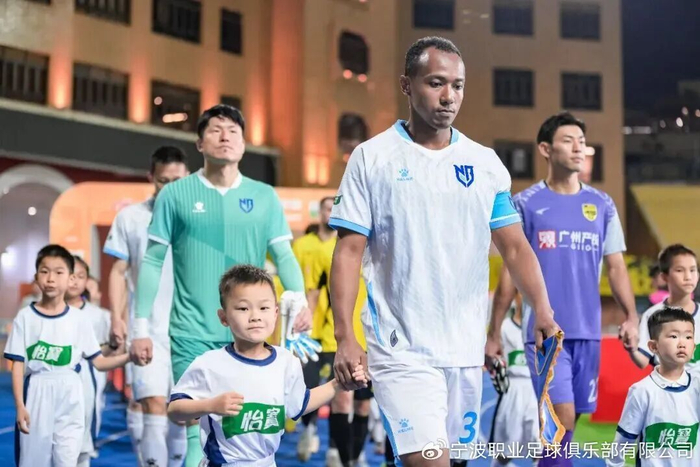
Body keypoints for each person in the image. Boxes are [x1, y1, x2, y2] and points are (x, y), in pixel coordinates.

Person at [329, 36, 559, 467]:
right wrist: (345, 336)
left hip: (464, 349)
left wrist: (542, 311)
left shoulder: (486, 164)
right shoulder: (371, 158)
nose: (449, 96)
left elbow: (514, 247)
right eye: (436, 83)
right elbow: (348, 252)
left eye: (458, 85)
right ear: (406, 85)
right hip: (400, 347)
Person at [129, 105, 314, 467]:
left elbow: (284, 255)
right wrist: (140, 328)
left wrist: (299, 300)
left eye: (233, 131)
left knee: (238, 435)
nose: (225, 136)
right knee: (194, 437)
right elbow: (152, 261)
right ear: (200, 143)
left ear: (243, 144)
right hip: (191, 331)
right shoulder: (174, 195)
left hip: (248, 336)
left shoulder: (264, 197)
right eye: (215, 130)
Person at [486, 112, 639, 465]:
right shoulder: (525, 203)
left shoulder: (602, 205)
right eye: (568, 141)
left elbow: (616, 266)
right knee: (561, 419)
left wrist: (631, 316)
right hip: (545, 333)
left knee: (569, 423)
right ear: (545, 149)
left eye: (582, 142)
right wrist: (494, 333)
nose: (578, 148)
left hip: (589, 332)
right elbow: (510, 271)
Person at [167, 265, 367, 466]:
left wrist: (338, 384)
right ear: (223, 317)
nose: (255, 316)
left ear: (275, 313)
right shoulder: (210, 364)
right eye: (243, 308)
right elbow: (174, 409)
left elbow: (300, 403)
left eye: (263, 308)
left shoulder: (286, 362)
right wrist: (210, 406)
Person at [3, 244, 136, 467]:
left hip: (72, 394)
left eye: (59, 272)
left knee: (67, 459)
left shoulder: (80, 319)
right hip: (36, 392)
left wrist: (129, 357)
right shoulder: (25, 317)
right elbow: (17, 364)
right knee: (33, 461)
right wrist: (20, 405)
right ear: (36, 277)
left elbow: (99, 362)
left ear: (69, 278)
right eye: (45, 272)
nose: (51, 279)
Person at [104, 146, 189, 467]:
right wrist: (117, 318)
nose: (170, 187)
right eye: (163, 180)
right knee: (152, 403)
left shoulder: (198, 220)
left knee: (184, 411)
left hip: (189, 331)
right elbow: (118, 271)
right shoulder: (130, 217)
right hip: (146, 331)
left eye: (177, 181)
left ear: (188, 177)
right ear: (151, 177)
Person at [301, 196, 371, 467]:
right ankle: (339, 455)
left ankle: (355, 454)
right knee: (340, 400)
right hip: (334, 338)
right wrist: (305, 328)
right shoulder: (332, 251)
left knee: (363, 405)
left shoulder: (375, 249)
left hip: (372, 340)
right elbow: (314, 291)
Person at [607, 306, 700, 466]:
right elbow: (623, 442)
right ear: (653, 347)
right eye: (673, 336)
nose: (682, 343)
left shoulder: (697, 387)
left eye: (688, 337)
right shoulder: (642, 391)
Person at [65, 256, 113, 466]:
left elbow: (103, 352)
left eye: (80, 276)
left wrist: (114, 347)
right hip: (54, 382)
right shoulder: (41, 312)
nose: (74, 281)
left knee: (83, 440)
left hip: (88, 378)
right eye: (70, 275)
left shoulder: (98, 315)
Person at [629, 244, 699, 371]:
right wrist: (632, 347)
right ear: (664, 277)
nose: (688, 277)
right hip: (666, 383)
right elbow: (643, 361)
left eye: (693, 270)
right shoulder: (652, 315)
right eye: (680, 270)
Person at [489, 296, 538, 467]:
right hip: (512, 389)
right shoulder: (504, 328)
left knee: (539, 449)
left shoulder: (540, 328)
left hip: (535, 390)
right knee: (504, 451)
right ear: (515, 296)